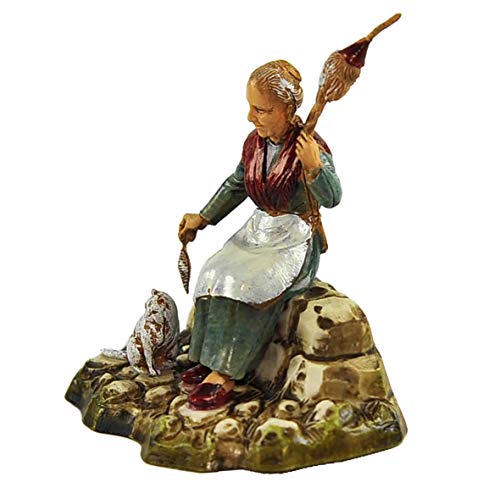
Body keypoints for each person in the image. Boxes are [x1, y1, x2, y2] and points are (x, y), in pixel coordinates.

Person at [178, 60, 342, 410]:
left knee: (248, 284)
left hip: (294, 239)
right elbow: (237, 184)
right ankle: (206, 357)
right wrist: (203, 217)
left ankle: (226, 372)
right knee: (215, 271)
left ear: (286, 110)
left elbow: (333, 197)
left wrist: (314, 166)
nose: (251, 117)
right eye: (251, 107)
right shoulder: (255, 144)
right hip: (258, 232)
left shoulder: (310, 145)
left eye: (261, 110)